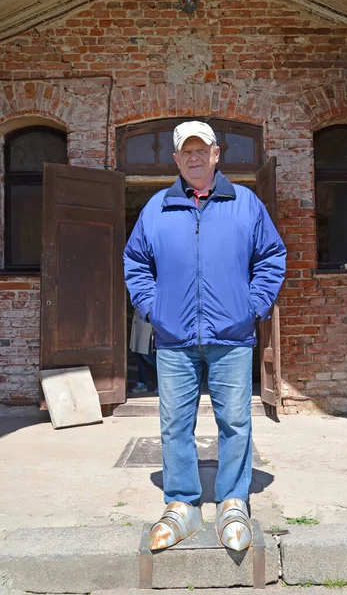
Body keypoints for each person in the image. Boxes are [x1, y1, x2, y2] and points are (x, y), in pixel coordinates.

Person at [124, 120, 286, 552]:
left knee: (234, 421)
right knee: (175, 424)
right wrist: (152, 309)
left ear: (217, 154)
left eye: (202, 150)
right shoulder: (156, 208)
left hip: (231, 337)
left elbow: (271, 255)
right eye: (185, 152)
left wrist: (253, 307)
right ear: (176, 160)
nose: (194, 158)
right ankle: (183, 504)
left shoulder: (246, 204)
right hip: (175, 338)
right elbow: (136, 263)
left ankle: (233, 500)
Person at [129, 307, 157, 393]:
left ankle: (164, 382)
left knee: (148, 354)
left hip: (149, 317)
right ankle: (142, 382)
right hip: (139, 318)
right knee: (139, 354)